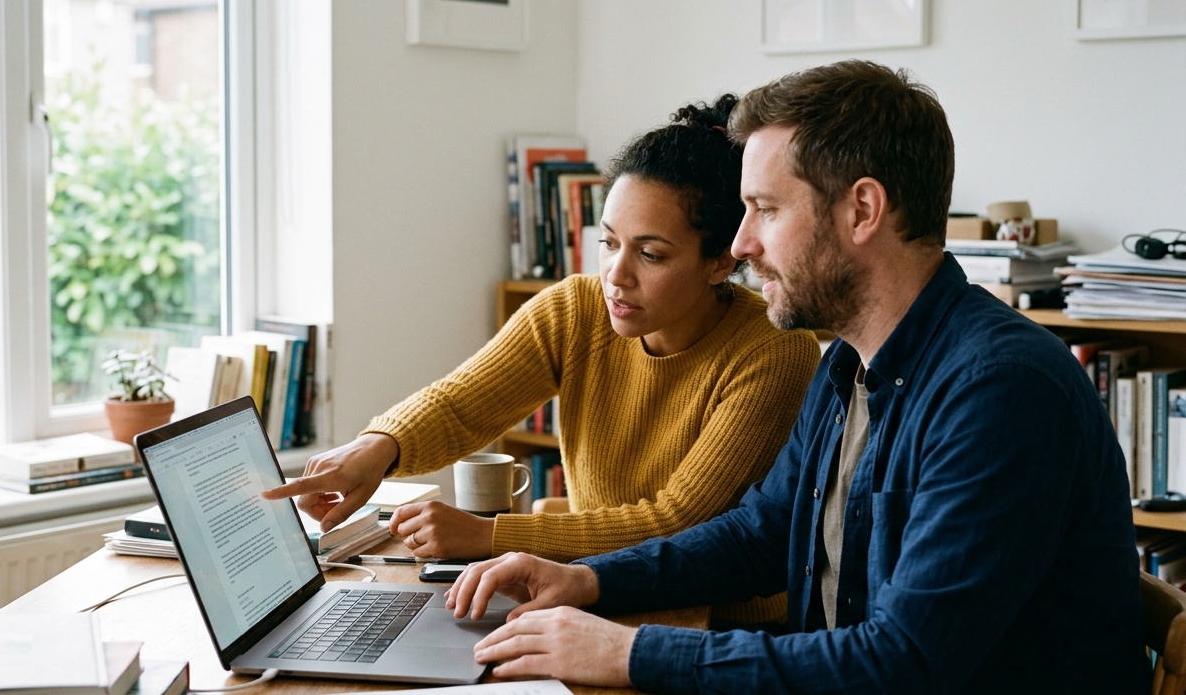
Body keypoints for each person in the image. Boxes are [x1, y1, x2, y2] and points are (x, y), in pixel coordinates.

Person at [445, 60, 1148, 694]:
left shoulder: (1001, 391)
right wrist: (589, 579)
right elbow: (763, 531)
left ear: (862, 211)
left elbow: (903, 663)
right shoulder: (849, 361)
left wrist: (629, 653)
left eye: (767, 210)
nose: (742, 243)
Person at [265, 95, 819, 624]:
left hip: (715, 622)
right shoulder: (575, 309)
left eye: (650, 254)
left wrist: (489, 536)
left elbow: (677, 522)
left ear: (721, 262)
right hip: (588, 594)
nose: (616, 275)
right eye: (608, 243)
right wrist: (375, 449)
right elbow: (461, 405)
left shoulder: (772, 350)